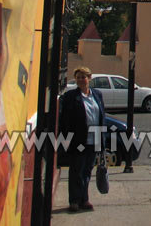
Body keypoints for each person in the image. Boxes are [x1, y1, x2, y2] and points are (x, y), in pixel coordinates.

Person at [59, 66, 105, 212]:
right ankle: (74, 201)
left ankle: (84, 199)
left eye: (83, 77)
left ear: (89, 78)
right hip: (78, 140)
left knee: (87, 171)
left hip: (94, 139)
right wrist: (66, 139)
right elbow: (65, 119)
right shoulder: (71, 96)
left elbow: (101, 117)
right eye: (78, 77)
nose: (80, 80)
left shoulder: (97, 95)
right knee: (76, 171)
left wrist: (102, 142)